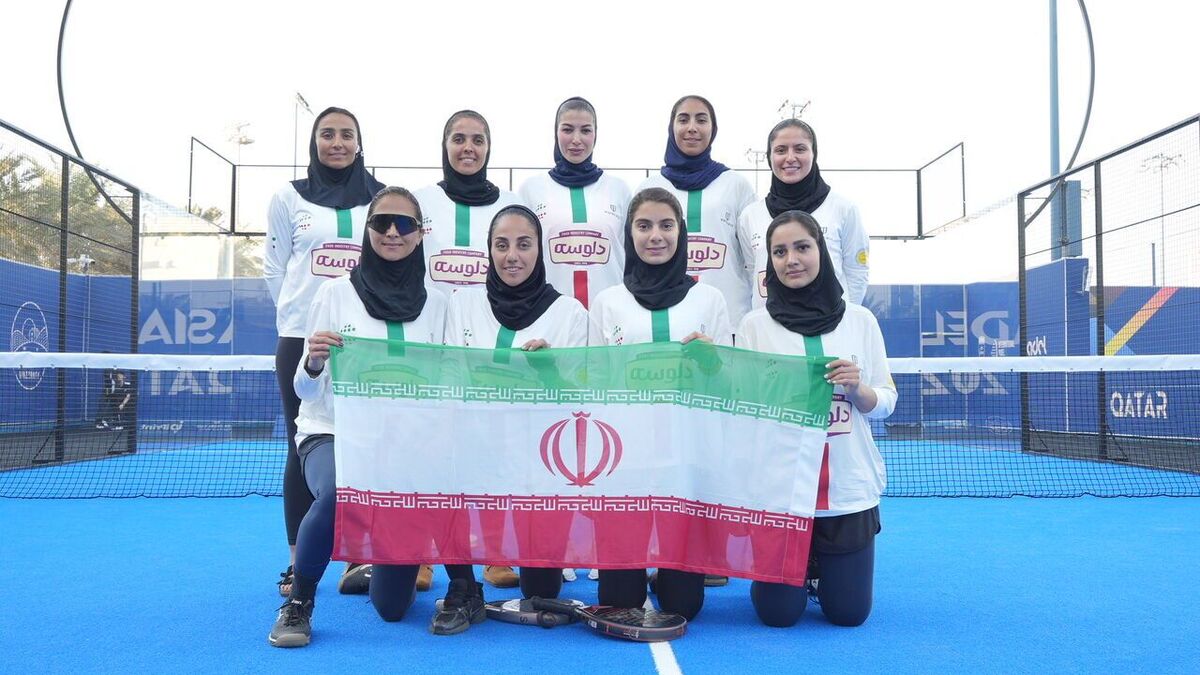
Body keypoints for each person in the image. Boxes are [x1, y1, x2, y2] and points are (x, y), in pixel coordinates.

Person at [269, 186, 448, 647]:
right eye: (382, 222)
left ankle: (371, 567)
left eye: (404, 224)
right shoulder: (333, 293)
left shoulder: (440, 304)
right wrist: (313, 362)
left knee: (392, 609)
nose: (392, 232)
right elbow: (305, 391)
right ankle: (299, 601)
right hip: (331, 432)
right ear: (368, 230)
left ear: (420, 233)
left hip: (401, 448)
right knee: (339, 491)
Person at [735, 210, 895, 628]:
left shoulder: (860, 321)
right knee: (778, 615)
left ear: (821, 251)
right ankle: (796, 571)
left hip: (847, 492)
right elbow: (743, 406)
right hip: (780, 493)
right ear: (769, 262)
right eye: (779, 252)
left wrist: (859, 390)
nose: (792, 260)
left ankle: (823, 570)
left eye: (802, 247)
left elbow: (886, 399)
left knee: (849, 614)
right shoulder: (754, 326)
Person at [588, 187, 732, 621]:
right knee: (620, 604)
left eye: (666, 225)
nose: (655, 236)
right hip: (625, 464)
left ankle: (668, 574)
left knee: (684, 606)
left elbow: (727, 385)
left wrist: (713, 362)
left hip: (685, 464)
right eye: (644, 225)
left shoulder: (710, 299)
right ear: (629, 234)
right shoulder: (608, 302)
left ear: (681, 232)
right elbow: (594, 380)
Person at [441, 204, 588, 621]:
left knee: (541, 591)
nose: (512, 256)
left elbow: (580, 402)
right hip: (476, 457)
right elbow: (450, 380)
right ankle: (463, 586)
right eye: (501, 245)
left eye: (524, 245)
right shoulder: (462, 304)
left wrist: (550, 372)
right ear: (488, 250)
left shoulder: (570, 313)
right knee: (390, 606)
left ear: (539, 250)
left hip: (540, 467)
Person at [264, 106, 385, 598]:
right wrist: (304, 319)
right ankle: (298, 562)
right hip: (303, 339)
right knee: (304, 444)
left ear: (359, 143)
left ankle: (359, 558)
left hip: (367, 340)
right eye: (327, 134)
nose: (337, 142)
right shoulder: (288, 197)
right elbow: (275, 267)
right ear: (314, 142)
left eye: (346, 134)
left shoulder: (380, 198)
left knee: (367, 446)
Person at [637, 94, 755, 331]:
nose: (692, 127)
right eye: (683, 120)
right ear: (671, 127)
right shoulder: (650, 187)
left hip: (727, 321)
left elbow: (754, 259)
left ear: (713, 129)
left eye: (701, 120)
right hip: (667, 321)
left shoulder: (736, 185)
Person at [737, 119, 869, 308]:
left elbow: (857, 273)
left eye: (800, 149)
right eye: (781, 150)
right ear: (769, 157)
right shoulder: (750, 216)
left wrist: (843, 318)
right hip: (769, 322)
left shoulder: (843, 209)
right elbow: (751, 273)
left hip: (830, 322)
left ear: (814, 153)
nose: (790, 157)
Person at [518, 97, 631, 310]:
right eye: (568, 130)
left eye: (585, 130)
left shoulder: (619, 189)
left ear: (596, 135)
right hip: (548, 314)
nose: (576, 139)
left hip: (608, 315)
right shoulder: (530, 190)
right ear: (556, 133)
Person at [416, 110, 522, 299]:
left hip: (492, 316)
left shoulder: (511, 205)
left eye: (478, 141)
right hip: (430, 316)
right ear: (445, 146)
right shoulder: (419, 201)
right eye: (458, 139)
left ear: (488, 148)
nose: (468, 147)